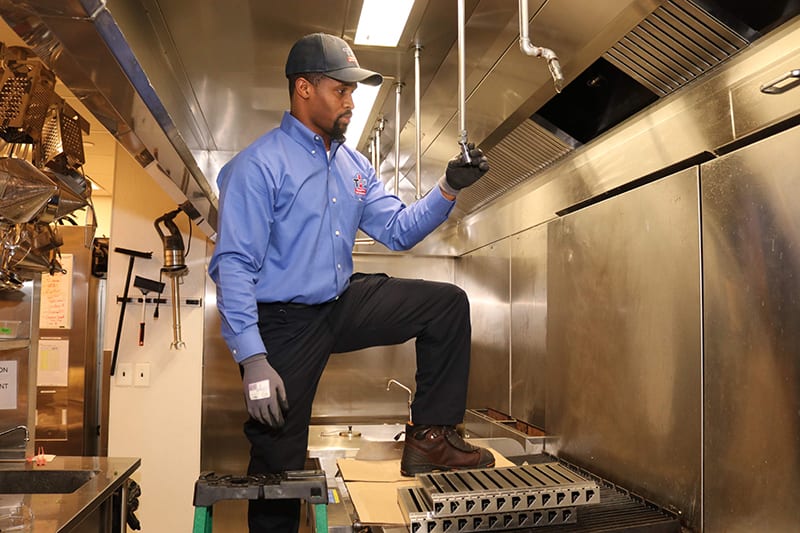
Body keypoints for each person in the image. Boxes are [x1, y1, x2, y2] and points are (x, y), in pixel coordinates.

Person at [208, 32, 492, 533]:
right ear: (303, 89)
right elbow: (232, 265)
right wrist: (253, 359)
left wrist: (448, 188)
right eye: (340, 90)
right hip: (283, 325)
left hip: (342, 302)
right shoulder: (258, 166)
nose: (351, 101)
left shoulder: (353, 165)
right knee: (278, 463)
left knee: (446, 305)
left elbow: (398, 230)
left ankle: (429, 440)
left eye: (352, 91)